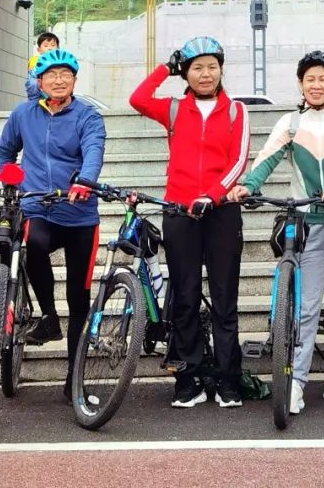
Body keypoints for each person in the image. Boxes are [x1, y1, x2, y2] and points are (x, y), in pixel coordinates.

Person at [229, 50, 324, 414]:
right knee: (307, 306)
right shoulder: (290, 124)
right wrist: (249, 185)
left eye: (323, 79)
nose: (316, 85)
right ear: (301, 84)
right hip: (309, 221)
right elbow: (266, 159)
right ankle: (298, 382)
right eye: (310, 79)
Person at [130, 35, 250, 409]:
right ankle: (188, 379)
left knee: (224, 299)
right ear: (186, 73)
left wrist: (212, 195)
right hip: (179, 212)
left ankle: (228, 379)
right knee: (184, 296)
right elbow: (137, 99)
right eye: (197, 67)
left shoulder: (236, 111)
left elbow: (239, 161)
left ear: (221, 70)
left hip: (221, 212)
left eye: (212, 66)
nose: (205, 74)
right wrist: (165, 68)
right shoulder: (173, 109)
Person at [0, 47, 105, 402]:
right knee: (35, 245)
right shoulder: (22, 114)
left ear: (74, 80)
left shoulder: (88, 116)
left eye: (66, 75)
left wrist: (85, 181)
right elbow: (5, 152)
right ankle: (49, 317)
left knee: (79, 298)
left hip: (79, 214)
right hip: (38, 205)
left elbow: (93, 151)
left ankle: (74, 378)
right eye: (52, 76)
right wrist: (9, 178)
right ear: (39, 82)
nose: (59, 81)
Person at [25, 30, 59, 99]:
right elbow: (33, 73)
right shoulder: (35, 60)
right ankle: (33, 101)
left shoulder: (60, 61)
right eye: (46, 46)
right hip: (39, 81)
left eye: (53, 45)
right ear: (39, 50)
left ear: (58, 48)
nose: (50, 48)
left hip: (54, 81)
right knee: (33, 83)